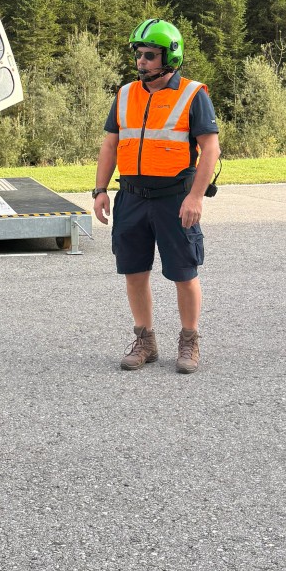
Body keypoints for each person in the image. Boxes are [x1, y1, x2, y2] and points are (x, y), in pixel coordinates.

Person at [92, 18, 221, 374]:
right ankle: (145, 341)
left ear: (170, 56)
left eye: (149, 55)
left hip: (174, 199)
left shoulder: (193, 95)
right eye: (138, 54)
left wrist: (195, 197)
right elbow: (110, 145)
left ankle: (189, 340)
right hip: (131, 197)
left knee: (183, 272)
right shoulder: (125, 94)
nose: (141, 61)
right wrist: (100, 190)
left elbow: (210, 149)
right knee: (134, 271)